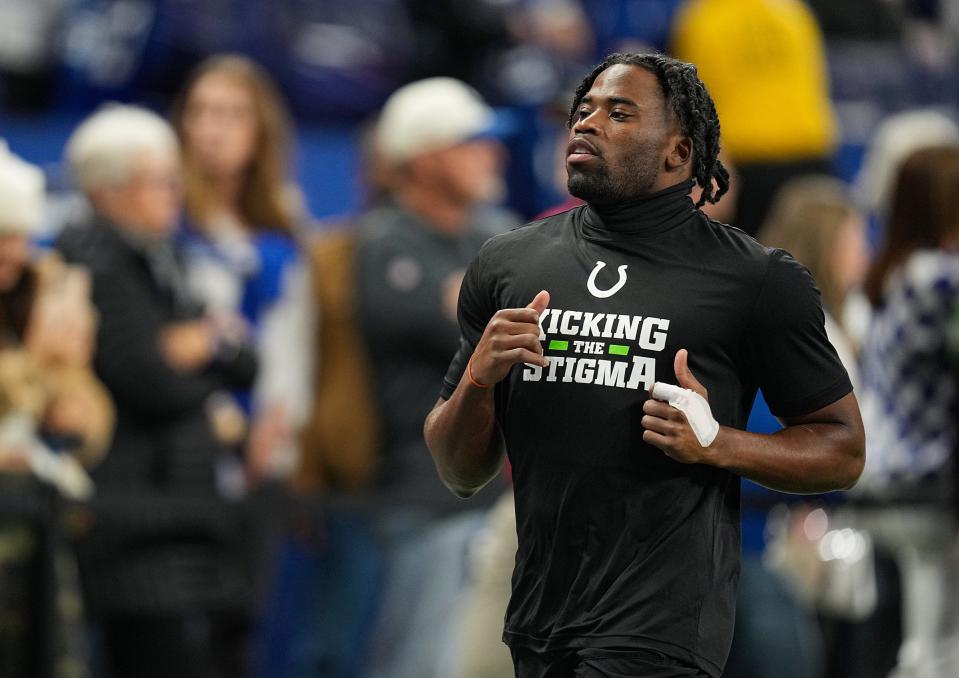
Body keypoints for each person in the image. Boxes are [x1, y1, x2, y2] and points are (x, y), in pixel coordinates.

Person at [424, 52, 865, 678]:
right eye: (584, 110)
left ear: (679, 154)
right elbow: (458, 470)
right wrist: (478, 379)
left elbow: (843, 449)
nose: (587, 122)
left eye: (619, 113)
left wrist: (719, 444)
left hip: (662, 629)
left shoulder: (755, 279)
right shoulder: (509, 265)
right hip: (539, 616)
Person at [56, 104, 258, 678]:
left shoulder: (164, 256)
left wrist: (198, 346)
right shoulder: (91, 259)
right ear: (106, 191)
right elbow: (147, 379)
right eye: (158, 181)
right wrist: (195, 356)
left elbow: (244, 360)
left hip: (184, 508)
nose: (175, 193)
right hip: (131, 515)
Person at [355, 76, 518, 678]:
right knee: (423, 663)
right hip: (419, 491)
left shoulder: (496, 231)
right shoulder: (383, 242)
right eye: (472, 141)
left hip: (501, 493)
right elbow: (480, 329)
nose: (491, 153)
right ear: (423, 157)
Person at [171, 54, 314, 486]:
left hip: (263, 454)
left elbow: (292, 341)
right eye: (201, 112)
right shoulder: (163, 223)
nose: (214, 130)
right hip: (184, 443)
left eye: (233, 114)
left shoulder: (285, 229)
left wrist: (276, 425)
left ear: (260, 134)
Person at [855, 145, 959, 678]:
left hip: (891, 476)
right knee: (938, 649)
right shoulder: (937, 277)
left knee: (926, 639)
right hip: (926, 482)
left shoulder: (893, 273)